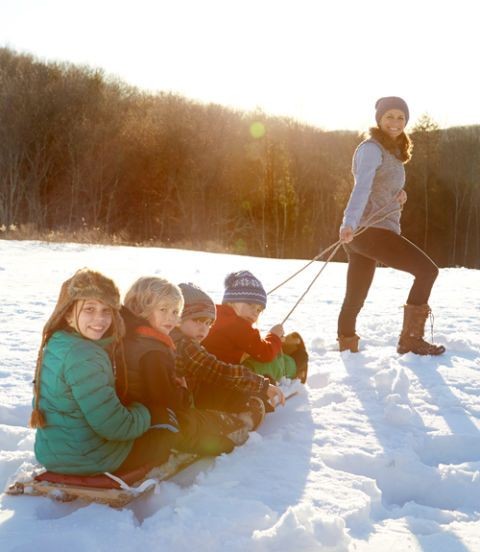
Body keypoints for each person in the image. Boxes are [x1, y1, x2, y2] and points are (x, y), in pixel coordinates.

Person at [31, 268, 176, 476]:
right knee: (165, 430)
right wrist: (145, 412)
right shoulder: (85, 355)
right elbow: (116, 427)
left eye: (106, 310)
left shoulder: (58, 342)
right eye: (89, 309)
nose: (99, 319)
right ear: (69, 314)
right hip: (90, 458)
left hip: (52, 453)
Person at [337, 96, 445, 356]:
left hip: (368, 232)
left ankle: (347, 344)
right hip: (369, 231)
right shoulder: (371, 149)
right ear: (379, 119)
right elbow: (361, 189)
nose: (395, 122)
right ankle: (410, 340)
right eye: (390, 117)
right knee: (427, 271)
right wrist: (349, 223)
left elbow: (379, 185)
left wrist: (399, 195)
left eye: (400, 117)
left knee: (356, 294)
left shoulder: (392, 151)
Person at [120, 276, 264, 457]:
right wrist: (182, 391)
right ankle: (237, 423)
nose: (172, 319)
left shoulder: (131, 337)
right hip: (156, 423)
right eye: (164, 310)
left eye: (175, 312)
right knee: (207, 421)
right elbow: (167, 405)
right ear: (143, 309)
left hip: (145, 416)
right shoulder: (154, 350)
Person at [171, 282, 285, 413]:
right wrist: (261, 384)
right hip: (190, 405)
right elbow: (219, 370)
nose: (203, 329)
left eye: (208, 323)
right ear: (179, 318)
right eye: (198, 320)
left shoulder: (174, 336)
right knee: (236, 386)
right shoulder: (185, 345)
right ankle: (243, 416)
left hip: (192, 393)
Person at [202, 271, 308, 385]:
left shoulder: (215, 314)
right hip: (227, 378)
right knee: (266, 364)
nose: (254, 313)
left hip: (208, 372)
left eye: (258, 310)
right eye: (250, 304)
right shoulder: (237, 324)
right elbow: (264, 354)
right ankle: (295, 365)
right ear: (231, 301)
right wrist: (274, 336)